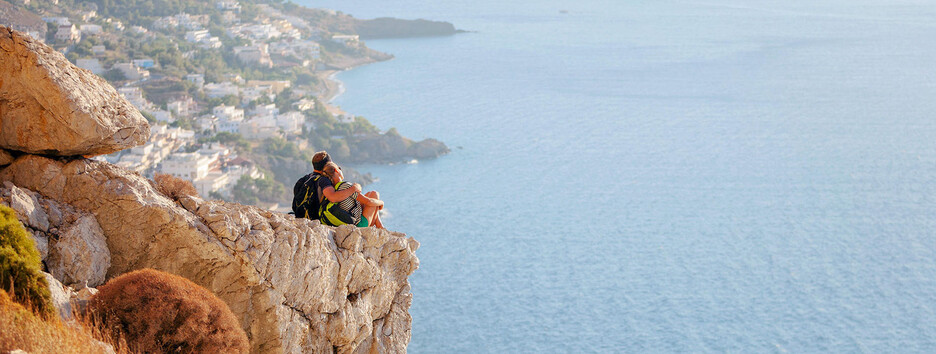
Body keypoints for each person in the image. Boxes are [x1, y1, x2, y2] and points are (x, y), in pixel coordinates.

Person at [320, 161, 385, 228]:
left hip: (351, 219)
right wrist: (381, 203)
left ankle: (380, 226)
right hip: (360, 225)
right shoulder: (345, 186)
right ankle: (380, 226)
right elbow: (368, 202)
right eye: (339, 168)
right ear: (336, 170)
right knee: (374, 194)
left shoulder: (334, 188)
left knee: (369, 194)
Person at [291, 151, 337, 219]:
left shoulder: (305, 178)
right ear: (327, 165)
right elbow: (333, 197)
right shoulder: (323, 180)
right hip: (316, 219)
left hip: (300, 216)